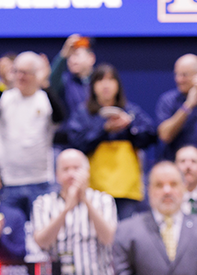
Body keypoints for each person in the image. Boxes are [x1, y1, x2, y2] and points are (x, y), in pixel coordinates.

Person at [65, 64, 157, 220]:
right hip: (94, 188)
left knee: (125, 230)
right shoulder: (83, 113)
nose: (105, 85)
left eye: (110, 80)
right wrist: (104, 130)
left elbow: (150, 137)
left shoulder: (130, 111)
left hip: (127, 187)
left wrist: (130, 126)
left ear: (118, 85)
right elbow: (76, 143)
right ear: (93, 86)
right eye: (100, 80)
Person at [0, 51, 66, 218]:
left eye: (25, 72)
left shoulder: (44, 99)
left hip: (40, 180)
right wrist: (3, 83)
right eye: (17, 71)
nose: (20, 77)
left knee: (43, 226)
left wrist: (44, 83)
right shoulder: (6, 98)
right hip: (10, 180)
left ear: (36, 75)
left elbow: (60, 117)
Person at [32, 149, 117, 275]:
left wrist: (85, 200)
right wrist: (66, 209)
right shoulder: (43, 203)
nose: (71, 174)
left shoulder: (104, 200)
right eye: (65, 169)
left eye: (76, 168)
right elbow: (42, 241)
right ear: (57, 175)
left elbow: (109, 238)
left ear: (87, 172)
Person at [49, 33, 96, 122]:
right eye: (70, 56)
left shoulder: (98, 82)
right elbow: (52, 81)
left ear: (91, 58)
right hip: (69, 129)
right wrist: (63, 55)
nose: (72, 60)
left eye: (77, 55)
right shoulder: (65, 82)